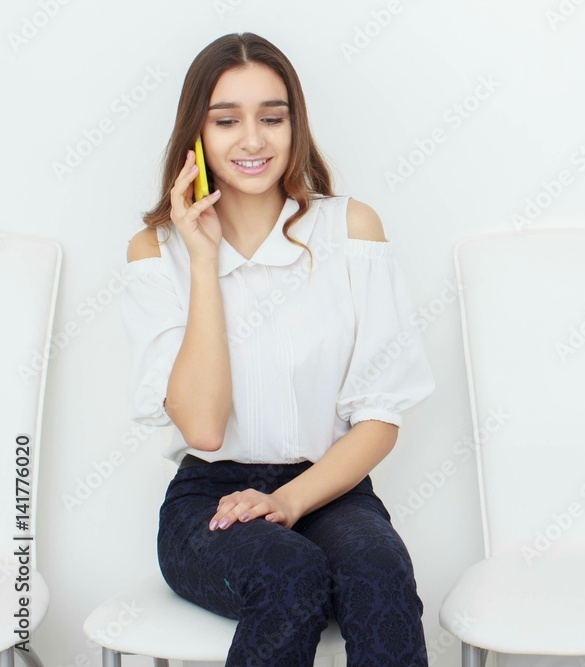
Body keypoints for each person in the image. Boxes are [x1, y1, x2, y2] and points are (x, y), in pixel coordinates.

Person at [119, 32, 435, 666]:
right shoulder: (157, 254)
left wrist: (288, 501)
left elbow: (380, 418)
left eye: (272, 116)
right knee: (291, 576)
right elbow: (204, 429)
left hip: (331, 488)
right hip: (208, 501)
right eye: (227, 120)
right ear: (197, 135)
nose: (254, 139)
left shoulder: (352, 230)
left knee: (381, 575)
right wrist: (204, 259)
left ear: (296, 126)